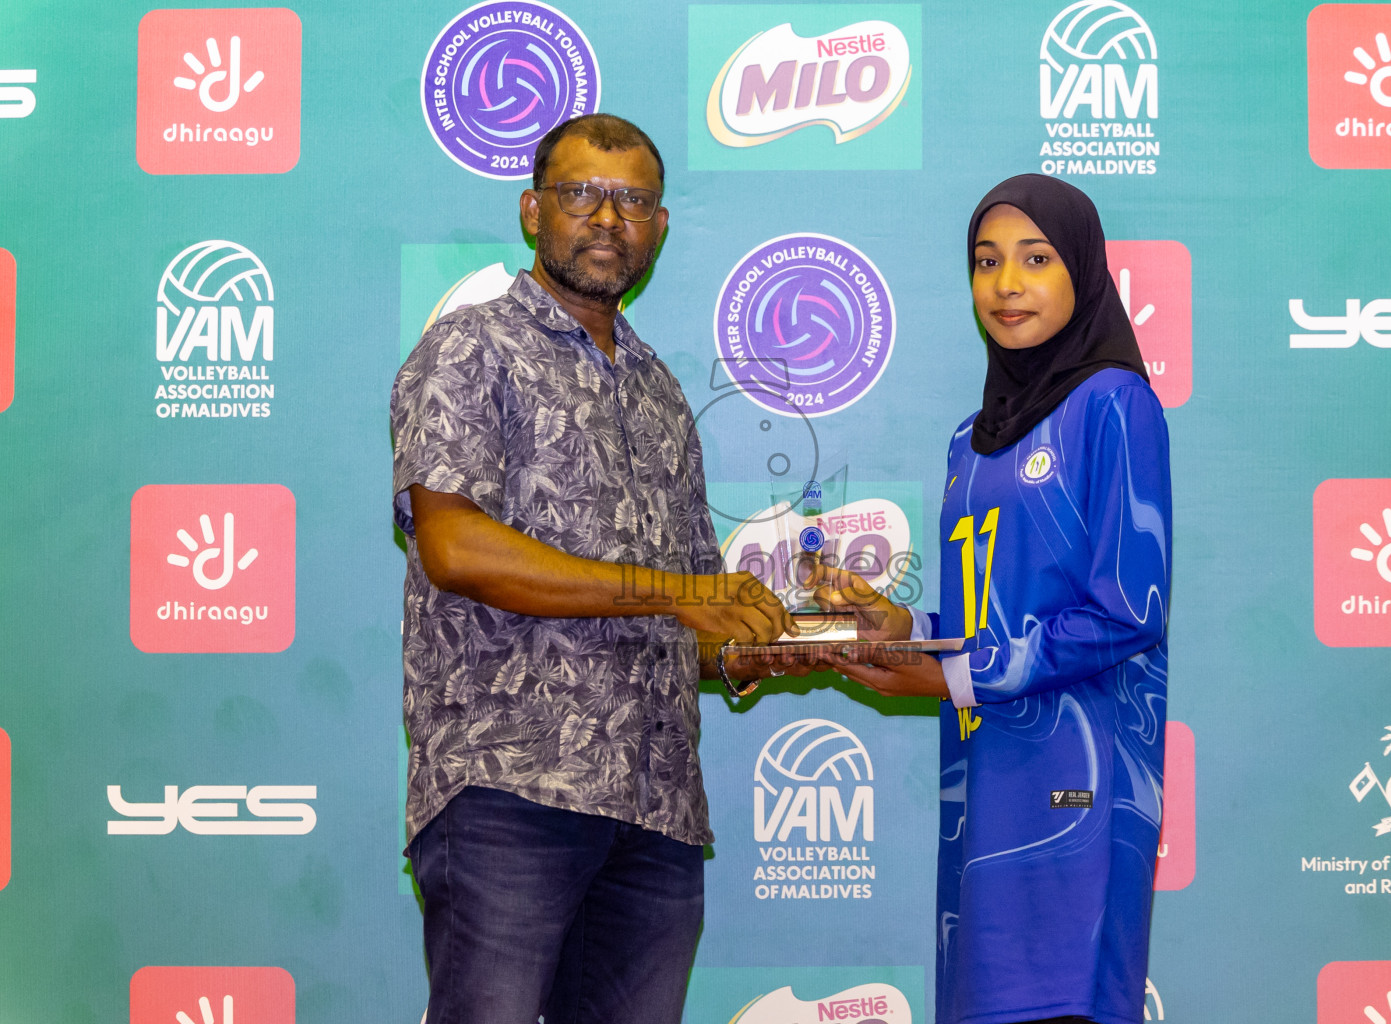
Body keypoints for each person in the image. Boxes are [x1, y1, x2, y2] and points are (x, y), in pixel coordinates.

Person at [389, 114, 794, 1024]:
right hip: (509, 792)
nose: (608, 218)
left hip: (656, 815)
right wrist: (680, 595)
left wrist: (766, 645)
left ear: (658, 227)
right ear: (534, 211)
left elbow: (689, 624)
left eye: (634, 201)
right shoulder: (471, 347)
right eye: (582, 194)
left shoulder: (661, 393)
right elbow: (453, 547)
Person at [809, 174, 1171, 1024]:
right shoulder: (968, 445)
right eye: (986, 261)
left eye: (1036, 259)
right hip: (981, 791)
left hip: (1075, 792)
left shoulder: (1117, 404)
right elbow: (993, 628)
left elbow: (1128, 610)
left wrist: (951, 676)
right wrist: (905, 631)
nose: (1006, 283)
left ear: (1082, 271)